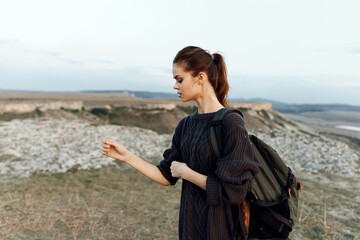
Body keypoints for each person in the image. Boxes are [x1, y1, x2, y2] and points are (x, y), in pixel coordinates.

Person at [102, 46, 260, 240]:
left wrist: (187, 173)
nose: (175, 86)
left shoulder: (231, 123)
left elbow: (232, 192)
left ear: (200, 78)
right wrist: (127, 157)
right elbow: (166, 176)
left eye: (179, 79)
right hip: (189, 229)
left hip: (220, 231)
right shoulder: (186, 125)